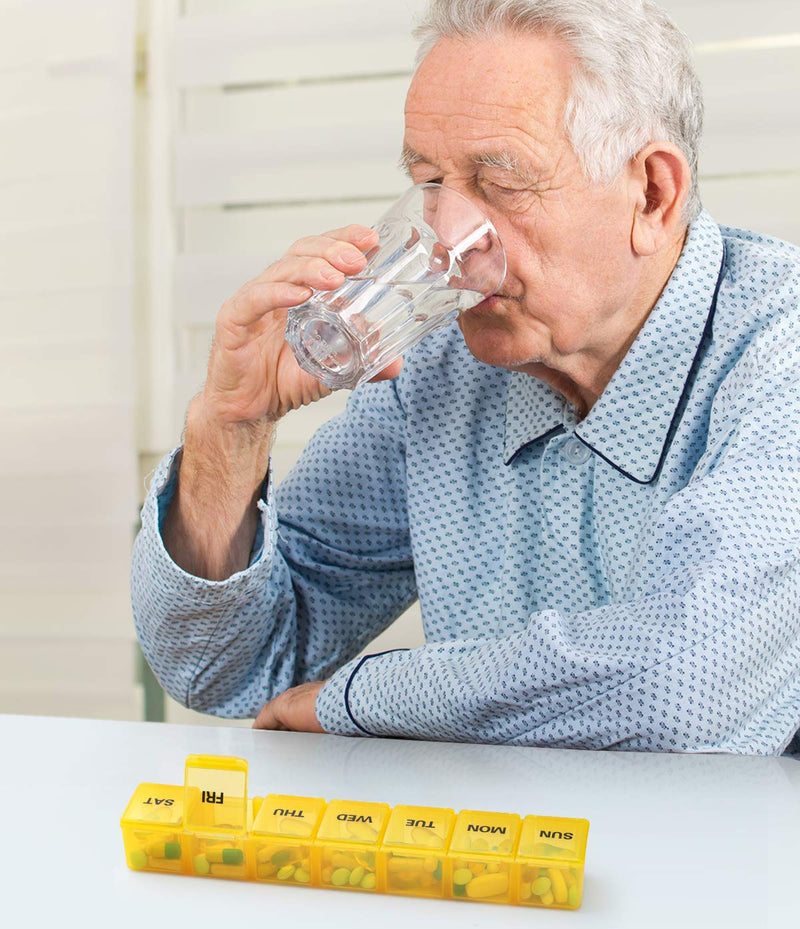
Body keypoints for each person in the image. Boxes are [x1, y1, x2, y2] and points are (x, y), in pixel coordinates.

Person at [131, 0, 800, 754]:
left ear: (652, 194)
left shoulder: (780, 355)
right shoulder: (442, 371)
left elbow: (687, 682)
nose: (448, 237)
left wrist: (358, 701)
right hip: (499, 862)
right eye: (431, 181)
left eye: (499, 182)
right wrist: (231, 425)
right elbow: (224, 667)